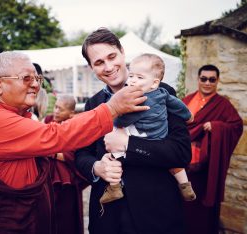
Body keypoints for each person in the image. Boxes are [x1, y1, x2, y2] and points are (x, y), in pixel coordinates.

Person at [0, 51, 148, 234]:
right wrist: (111, 109)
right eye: (26, 78)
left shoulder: (14, 114)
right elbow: (56, 135)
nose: (36, 84)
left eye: (37, 78)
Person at [75, 27, 191, 234]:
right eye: (99, 62)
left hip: (156, 213)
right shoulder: (93, 104)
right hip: (107, 216)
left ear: (122, 52)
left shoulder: (162, 92)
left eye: (112, 56)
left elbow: (181, 152)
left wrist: (129, 145)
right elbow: (81, 155)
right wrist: (96, 167)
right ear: (91, 67)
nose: (109, 67)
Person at [100, 53, 196, 207]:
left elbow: (125, 120)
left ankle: (114, 187)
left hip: (145, 138)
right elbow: (178, 106)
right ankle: (185, 186)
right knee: (175, 166)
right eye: (131, 76)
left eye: (139, 77)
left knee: (114, 157)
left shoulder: (139, 100)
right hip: (161, 136)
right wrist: (188, 115)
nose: (132, 80)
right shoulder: (162, 94)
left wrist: (114, 119)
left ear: (154, 83)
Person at [182, 64, 243, 234]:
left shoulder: (223, 105)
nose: (207, 83)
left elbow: (236, 126)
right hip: (183, 163)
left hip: (204, 168)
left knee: (200, 208)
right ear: (198, 79)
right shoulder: (186, 100)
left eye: (212, 79)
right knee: (182, 204)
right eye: (204, 79)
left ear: (217, 81)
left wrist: (216, 126)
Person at [44, 94, 89, 234]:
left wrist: (49, 152)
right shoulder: (47, 121)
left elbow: (70, 156)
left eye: (61, 109)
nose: (56, 111)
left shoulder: (74, 128)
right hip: (47, 176)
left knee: (66, 218)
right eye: (56, 107)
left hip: (66, 180)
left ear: (71, 114)